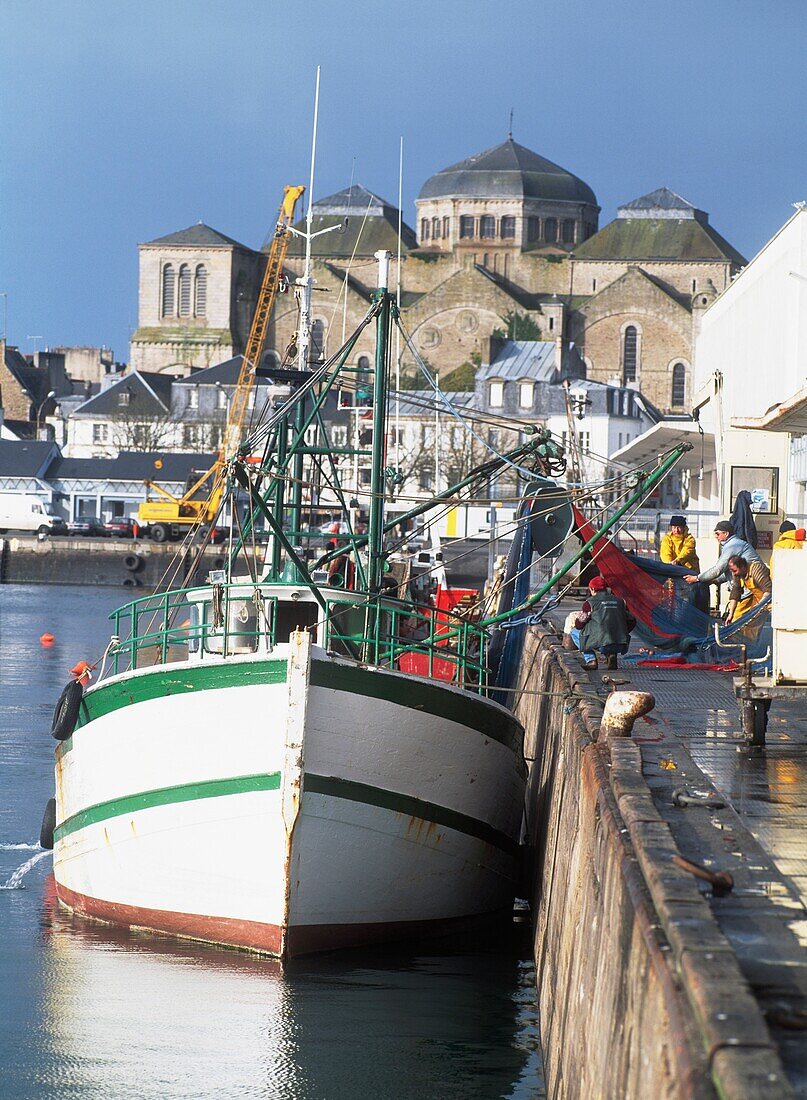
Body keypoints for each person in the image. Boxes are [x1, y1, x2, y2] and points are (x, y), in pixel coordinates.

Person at [574, 576, 636, 671]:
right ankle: (611, 655)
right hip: (620, 643)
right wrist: (623, 632)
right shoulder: (620, 601)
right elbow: (632, 620)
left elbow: (579, 625)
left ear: (593, 589)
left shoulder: (589, 603)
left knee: (574, 632)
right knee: (610, 634)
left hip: (602, 644)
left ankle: (591, 660)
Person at [683, 520, 761, 588]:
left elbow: (718, 569)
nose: (715, 536)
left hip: (752, 587)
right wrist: (715, 580)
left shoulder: (733, 546)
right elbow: (730, 571)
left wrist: (697, 578)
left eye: (717, 534)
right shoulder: (733, 544)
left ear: (726, 534)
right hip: (750, 586)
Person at [724, 554, 771, 624]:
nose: (734, 574)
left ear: (742, 567)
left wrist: (758, 607)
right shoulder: (737, 574)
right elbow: (735, 593)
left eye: (735, 570)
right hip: (758, 599)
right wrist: (731, 614)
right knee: (738, 617)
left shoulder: (756, 569)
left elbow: (768, 590)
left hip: (770, 599)